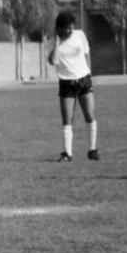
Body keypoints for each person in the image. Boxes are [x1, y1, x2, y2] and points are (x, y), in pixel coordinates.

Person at [47, 11, 98, 161]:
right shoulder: (53, 41)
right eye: (66, 28)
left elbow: (87, 53)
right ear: (59, 28)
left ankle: (93, 150)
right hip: (66, 83)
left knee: (90, 115)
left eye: (71, 27)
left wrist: (88, 72)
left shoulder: (80, 35)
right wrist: (57, 43)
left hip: (84, 81)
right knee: (67, 119)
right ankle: (67, 154)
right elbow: (52, 61)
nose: (69, 31)